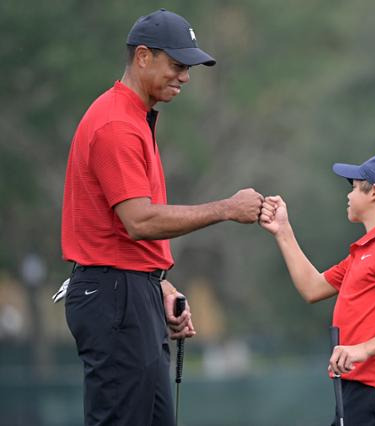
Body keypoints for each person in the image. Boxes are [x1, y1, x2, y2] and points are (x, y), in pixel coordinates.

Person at [60, 9, 263, 426]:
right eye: (177, 64)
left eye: (187, 67)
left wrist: (159, 283)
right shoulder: (116, 123)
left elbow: (123, 231)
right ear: (143, 56)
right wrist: (226, 208)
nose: (185, 76)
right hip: (113, 295)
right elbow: (140, 221)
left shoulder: (136, 117)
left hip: (131, 290)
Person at [260, 152, 375, 425]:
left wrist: (363, 349)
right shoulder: (369, 248)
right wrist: (282, 231)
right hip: (360, 392)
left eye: (354, 187)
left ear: (374, 192)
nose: (348, 195)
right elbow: (313, 288)